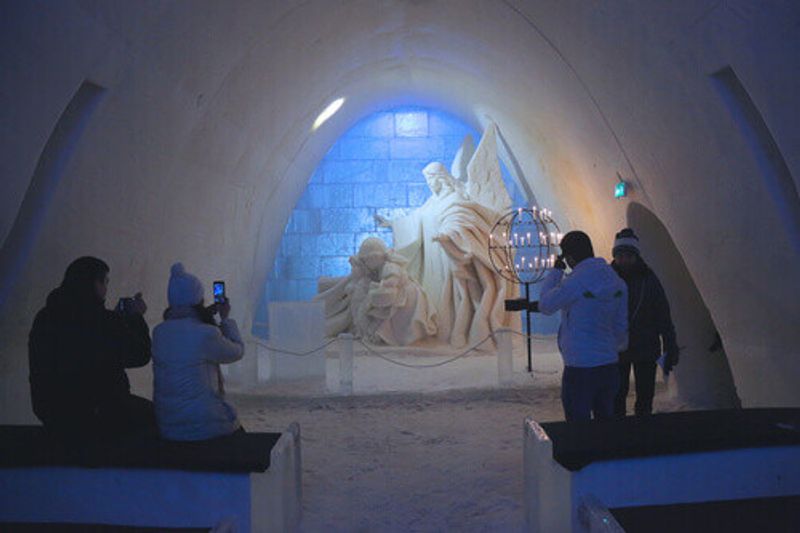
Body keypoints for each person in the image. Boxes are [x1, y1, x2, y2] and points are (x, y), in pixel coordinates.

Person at [28, 256, 155, 440]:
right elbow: (140, 354)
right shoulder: (101, 321)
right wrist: (135, 319)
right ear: (93, 283)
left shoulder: (45, 317)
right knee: (160, 420)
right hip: (99, 413)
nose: (105, 289)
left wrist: (115, 322)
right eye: (104, 282)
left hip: (52, 413)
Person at [539, 231, 628, 421]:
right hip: (609, 365)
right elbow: (621, 325)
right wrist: (611, 348)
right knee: (605, 424)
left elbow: (545, 305)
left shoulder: (575, 283)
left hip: (580, 367)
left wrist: (555, 272)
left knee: (578, 428)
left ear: (569, 257)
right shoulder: (617, 282)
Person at [152, 263, 245, 441]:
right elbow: (236, 351)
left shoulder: (159, 332)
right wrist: (226, 318)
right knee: (238, 432)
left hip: (168, 425)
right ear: (198, 300)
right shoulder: (205, 333)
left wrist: (204, 317)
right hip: (203, 424)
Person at [611, 228, 679, 417]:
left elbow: (662, 313)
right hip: (617, 346)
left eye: (628, 255)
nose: (624, 260)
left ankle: (642, 430)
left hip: (645, 345)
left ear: (636, 256)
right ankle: (618, 431)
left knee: (645, 394)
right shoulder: (608, 278)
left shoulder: (649, 279)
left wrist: (670, 344)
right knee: (617, 394)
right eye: (620, 255)